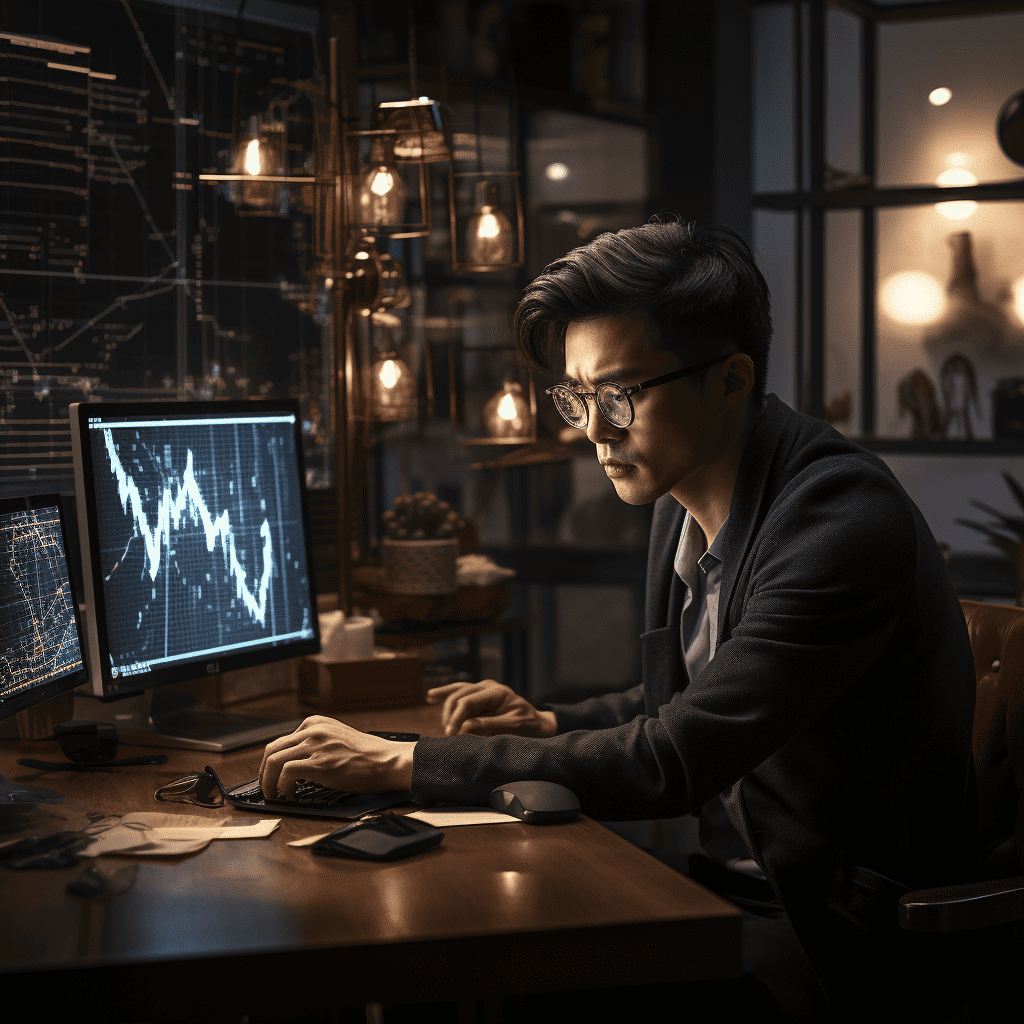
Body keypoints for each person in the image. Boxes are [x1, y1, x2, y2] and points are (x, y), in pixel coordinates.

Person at [260, 220, 976, 1021]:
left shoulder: (841, 519)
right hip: (730, 889)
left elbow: (678, 757)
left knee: (490, 966)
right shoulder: (684, 491)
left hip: (836, 933)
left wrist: (402, 762)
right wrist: (550, 721)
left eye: (621, 395)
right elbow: (696, 701)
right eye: (578, 397)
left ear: (732, 379)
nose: (595, 432)